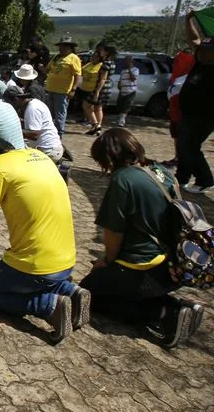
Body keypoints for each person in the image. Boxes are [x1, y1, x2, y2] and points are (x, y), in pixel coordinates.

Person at [82, 128, 205, 347]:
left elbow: (113, 231)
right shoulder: (161, 170)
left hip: (144, 268)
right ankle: (174, 305)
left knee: (89, 292)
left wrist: (106, 262)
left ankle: (167, 313)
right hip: (174, 264)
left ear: (107, 157)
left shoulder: (123, 179)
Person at [0, 138, 87, 343]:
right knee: (29, 276)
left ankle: (50, 306)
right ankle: (69, 290)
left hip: (37, 269)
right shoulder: (40, 156)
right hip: (67, 264)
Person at [176, 13, 214, 193]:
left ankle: (204, 179)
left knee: (189, 146)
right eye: (202, 50)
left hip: (204, 116)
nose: (202, 53)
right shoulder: (200, 63)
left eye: (207, 51)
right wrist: (188, 20)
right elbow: (194, 40)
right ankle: (182, 178)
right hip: (189, 114)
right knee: (185, 146)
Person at [3, 86, 64, 163]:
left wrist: (12, 129)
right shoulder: (33, 103)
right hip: (48, 147)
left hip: (47, 151)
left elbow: (34, 135)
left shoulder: (32, 108)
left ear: (16, 100)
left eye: (9, 103)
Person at [45, 36, 82, 134]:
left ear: (69, 47)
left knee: (60, 113)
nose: (60, 48)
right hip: (50, 88)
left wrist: (73, 89)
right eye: (60, 46)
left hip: (62, 90)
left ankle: (59, 132)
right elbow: (47, 69)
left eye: (63, 46)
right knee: (49, 112)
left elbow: (78, 75)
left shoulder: (74, 58)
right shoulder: (56, 57)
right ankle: (50, 131)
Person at [79, 51, 110, 136]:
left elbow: (103, 79)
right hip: (87, 89)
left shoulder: (102, 66)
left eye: (94, 57)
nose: (92, 58)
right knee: (92, 107)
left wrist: (97, 92)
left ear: (99, 58)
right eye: (92, 57)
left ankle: (96, 124)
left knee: (90, 106)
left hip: (96, 89)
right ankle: (96, 128)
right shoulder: (89, 64)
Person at [115, 55, 138, 128]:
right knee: (120, 105)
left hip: (130, 91)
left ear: (131, 61)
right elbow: (120, 79)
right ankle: (120, 118)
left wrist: (129, 70)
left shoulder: (135, 69)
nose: (125, 62)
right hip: (122, 90)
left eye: (127, 60)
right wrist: (119, 85)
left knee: (126, 106)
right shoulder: (123, 70)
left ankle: (122, 121)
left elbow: (133, 78)